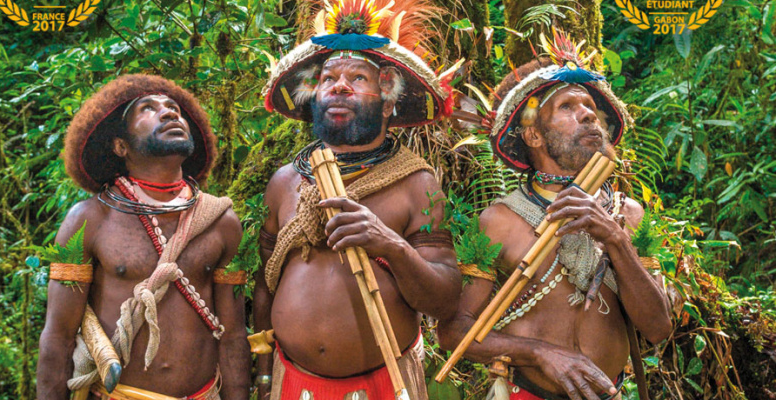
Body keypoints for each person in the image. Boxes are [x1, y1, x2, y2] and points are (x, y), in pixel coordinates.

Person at [438, 29, 673, 400]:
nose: (588, 115)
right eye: (567, 107)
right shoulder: (499, 220)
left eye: (591, 109)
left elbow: (659, 328)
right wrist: (541, 353)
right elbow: (454, 333)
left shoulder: (627, 214)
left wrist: (614, 238)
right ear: (533, 136)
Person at [253, 0, 462, 398]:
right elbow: (266, 283)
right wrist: (263, 376)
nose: (340, 85)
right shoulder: (284, 182)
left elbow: (445, 300)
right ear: (313, 97)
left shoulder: (417, 182)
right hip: (291, 382)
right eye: (328, 77)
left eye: (358, 78)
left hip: (383, 384)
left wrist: (390, 245)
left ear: (388, 102)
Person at [37, 74, 249, 400]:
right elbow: (58, 336)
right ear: (121, 146)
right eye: (148, 109)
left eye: (174, 108)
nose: (169, 113)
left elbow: (233, 335)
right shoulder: (88, 219)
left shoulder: (222, 221)